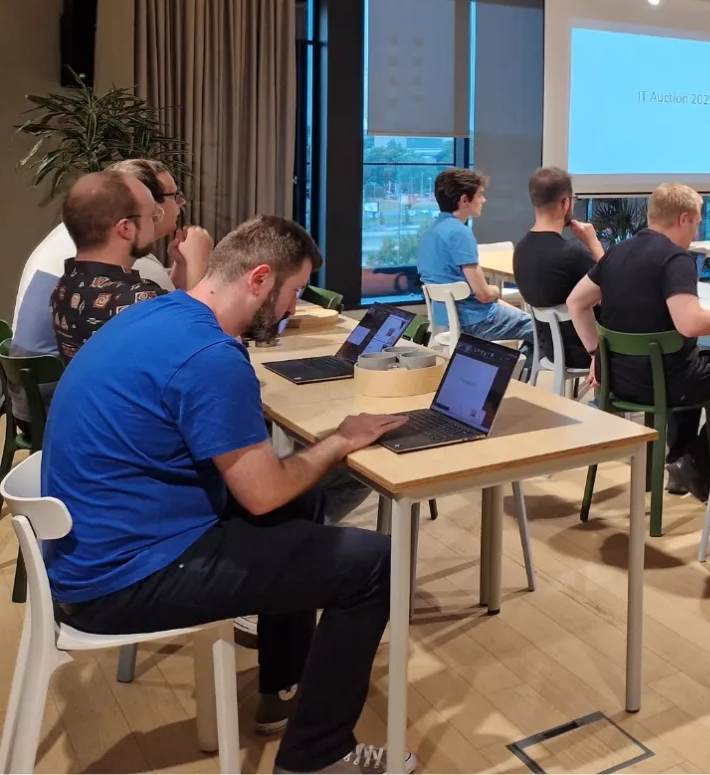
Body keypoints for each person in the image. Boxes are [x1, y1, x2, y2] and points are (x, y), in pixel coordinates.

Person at [41, 216, 413, 774]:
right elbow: (261, 494)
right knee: (374, 563)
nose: (290, 309)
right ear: (259, 279)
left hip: (90, 548)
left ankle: (282, 690)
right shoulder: (211, 356)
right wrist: (340, 439)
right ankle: (318, 757)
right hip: (121, 578)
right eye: (290, 294)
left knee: (305, 505)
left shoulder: (156, 312)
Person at [567, 183, 710, 498]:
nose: (696, 232)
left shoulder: (617, 252)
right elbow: (689, 324)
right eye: (697, 224)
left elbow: (576, 303)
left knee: (696, 360)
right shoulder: (676, 259)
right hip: (664, 382)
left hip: (618, 380)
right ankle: (691, 461)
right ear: (684, 218)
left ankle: (681, 461)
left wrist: (597, 353)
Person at [13, 158, 206, 356]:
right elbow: (199, 337)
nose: (182, 202)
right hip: (52, 380)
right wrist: (198, 261)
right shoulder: (124, 267)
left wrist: (182, 266)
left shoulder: (78, 254)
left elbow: (164, 305)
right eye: (174, 196)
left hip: (54, 374)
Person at [416, 168, 536, 347]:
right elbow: (484, 295)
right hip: (474, 322)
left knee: (526, 318)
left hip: (447, 320)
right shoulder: (460, 233)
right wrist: (495, 289)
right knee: (543, 329)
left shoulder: (430, 234)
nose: (484, 200)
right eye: (480, 195)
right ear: (464, 200)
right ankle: (524, 374)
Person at [513, 167, 604, 371]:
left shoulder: (521, 249)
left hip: (549, 349)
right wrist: (593, 243)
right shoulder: (572, 253)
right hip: (587, 352)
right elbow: (618, 287)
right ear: (565, 202)